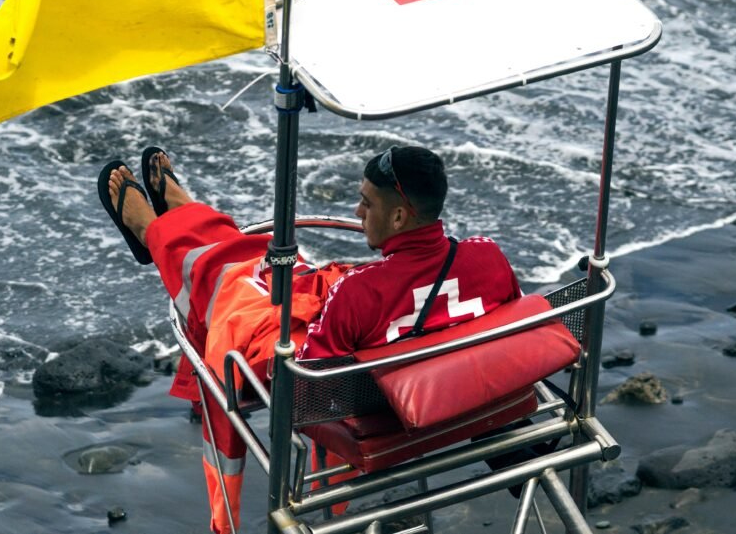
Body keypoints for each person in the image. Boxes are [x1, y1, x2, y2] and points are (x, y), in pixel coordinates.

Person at [99, 145, 522, 534]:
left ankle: (158, 230)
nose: (357, 211)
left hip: (384, 423)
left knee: (237, 289)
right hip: (466, 403)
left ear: (397, 218)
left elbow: (306, 391)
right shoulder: (487, 256)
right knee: (265, 277)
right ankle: (179, 220)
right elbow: (510, 326)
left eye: (366, 202)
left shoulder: (362, 293)